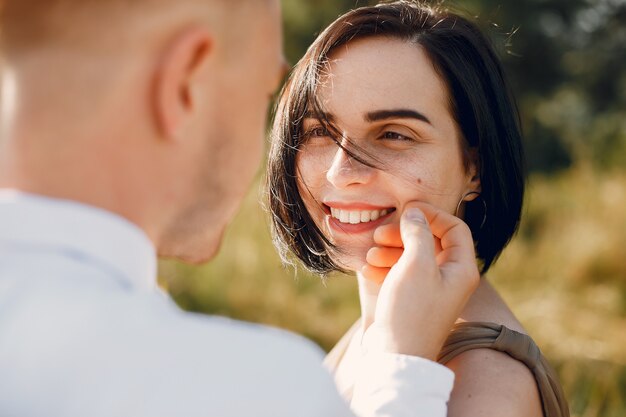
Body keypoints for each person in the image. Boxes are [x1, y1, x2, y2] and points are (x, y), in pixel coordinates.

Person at [0, 1, 480, 416]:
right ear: (186, 81)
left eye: (394, 134)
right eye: (264, 93)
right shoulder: (252, 391)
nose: (339, 172)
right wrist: (404, 372)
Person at [267, 2, 570, 417]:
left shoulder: (490, 389)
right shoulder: (385, 325)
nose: (342, 173)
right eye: (319, 130)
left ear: (474, 168)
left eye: (393, 134)